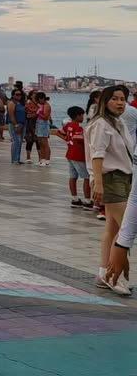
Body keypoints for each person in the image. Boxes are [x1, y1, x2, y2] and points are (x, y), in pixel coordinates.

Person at [86, 86, 133, 295]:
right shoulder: (101, 124)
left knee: (112, 230)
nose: (120, 103)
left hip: (123, 178)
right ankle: (112, 276)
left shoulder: (117, 122)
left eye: (123, 99)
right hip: (110, 179)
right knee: (126, 230)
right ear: (104, 101)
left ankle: (103, 274)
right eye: (115, 99)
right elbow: (98, 154)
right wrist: (98, 183)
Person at [57, 106, 92, 208]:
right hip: (78, 156)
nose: (83, 117)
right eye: (82, 115)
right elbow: (79, 140)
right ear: (77, 116)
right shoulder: (79, 128)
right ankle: (87, 200)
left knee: (73, 176)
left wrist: (67, 140)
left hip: (70, 154)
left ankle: (74, 198)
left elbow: (58, 132)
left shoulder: (68, 125)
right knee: (87, 177)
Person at [7, 89, 26, 164]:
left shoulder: (21, 103)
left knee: (20, 141)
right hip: (15, 124)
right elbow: (11, 115)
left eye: (20, 94)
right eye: (16, 94)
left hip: (22, 123)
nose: (18, 96)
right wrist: (15, 125)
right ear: (13, 95)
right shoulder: (11, 103)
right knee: (16, 141)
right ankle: (14, 159)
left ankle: (17, 159)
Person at [34, 92, 53, 166]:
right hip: (39, 123)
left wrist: (38, 113)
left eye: (38, 100)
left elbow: (46, 117)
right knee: (40, 143)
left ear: (42, 98)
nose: (38, 102)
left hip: (43, 124)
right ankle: (42, 159)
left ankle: (47, 160)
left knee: (45, 143)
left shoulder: (47, 106)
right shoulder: (42, 105)